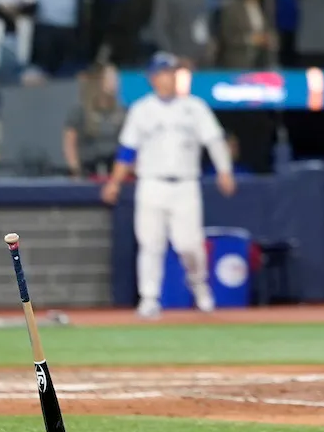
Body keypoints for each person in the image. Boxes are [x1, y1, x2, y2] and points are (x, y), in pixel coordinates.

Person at [101, 51, 237, 318]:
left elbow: (215, 140)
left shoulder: (194, 107)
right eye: (164, 72)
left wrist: (225, 171)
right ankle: (149, 298)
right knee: (150, 244)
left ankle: (199, 286)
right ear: (153, 78)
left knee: (189, 245)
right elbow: (127, 151)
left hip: (186, 184)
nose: (170, 77)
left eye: (173, 72)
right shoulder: (142, 110)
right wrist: (114, 182)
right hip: (151, 183)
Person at [62, 64, 126, 178]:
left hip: (115, 171)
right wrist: (75, 169)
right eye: (110, 78)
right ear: (99, 81)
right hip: (88, 170)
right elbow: (69, 142)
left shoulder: (123, 112)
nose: (115, 82)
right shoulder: (80, 111)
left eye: (116, 78)